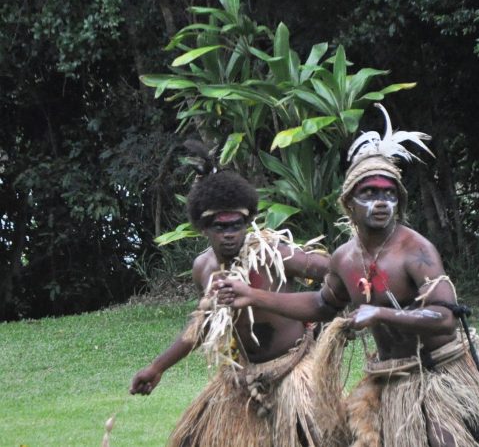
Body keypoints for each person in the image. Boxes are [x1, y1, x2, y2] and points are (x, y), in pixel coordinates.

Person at [223, 104, 479, 447]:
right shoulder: (345, 257)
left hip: (438, 375)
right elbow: (322, 303)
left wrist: (380, 313)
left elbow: (445, 319)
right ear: (349, 202)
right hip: (391, 378)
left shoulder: (416, 251)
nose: (381, 201)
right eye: (369, 193)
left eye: (389, 193)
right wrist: (255, 297)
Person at [129, 169, 330, 447]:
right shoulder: (203, 269)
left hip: (292, 370)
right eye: (219, 227)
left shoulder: (272, 255)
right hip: (242, 376)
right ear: (203, 228)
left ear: (247, 222)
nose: (229, 235)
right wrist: (157, 367)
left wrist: (339, 305)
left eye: (236, 225)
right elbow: (206, 323)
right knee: (193, 441)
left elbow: (331, 271)